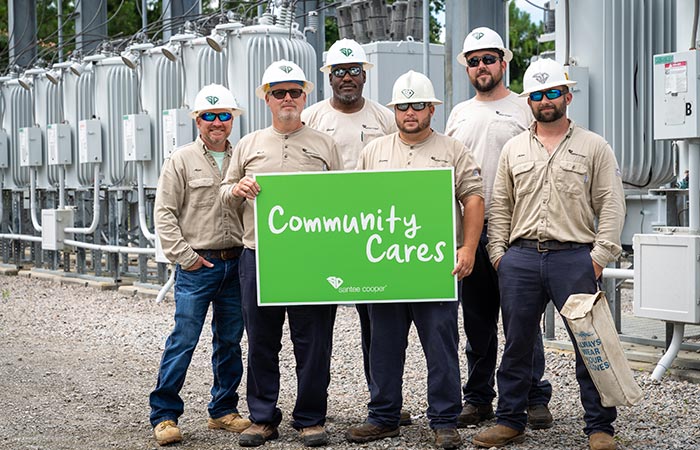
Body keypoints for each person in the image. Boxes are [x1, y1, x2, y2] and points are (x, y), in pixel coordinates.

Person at [473, 59, 625, 450]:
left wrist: (598, 257)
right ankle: (510, 420)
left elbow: (610, 204)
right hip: (520, 260)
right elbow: (501, 206)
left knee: (590, 344)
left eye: (552, 92)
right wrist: (498, 256)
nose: (545, 100)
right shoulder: (514, 149)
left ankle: (599, 427)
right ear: (529, 101)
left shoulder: (594, 147)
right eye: (537, 95)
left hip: (574, 258)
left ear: (567, 96)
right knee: (517, 345)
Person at [345, 70, 485, 450]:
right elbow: (355, 205)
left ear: (432, 109)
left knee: (440, 344)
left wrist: (468, 248)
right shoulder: (374, 151)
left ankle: (444, 420)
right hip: (386, 268)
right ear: (394, 110)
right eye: (403, 105)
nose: (410, 112)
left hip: (435, 267)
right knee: (384, 344)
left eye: (417, 105)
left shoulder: (453, 150)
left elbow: (473, 198)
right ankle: (384, 417)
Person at [220, 60, 343, 448]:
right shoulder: (248, 145)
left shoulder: (325, 144)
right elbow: (223, 193)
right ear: (267, 99)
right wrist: (237, 189)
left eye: (294, 91)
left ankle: (310, 418)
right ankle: (262, 418)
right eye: (279, 92)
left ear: (306, 96)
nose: (287, 98)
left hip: (311, 257)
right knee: (261, 338)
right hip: (260, 254)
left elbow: (346, 199)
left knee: (313, 340)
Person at [445, 27, 553, 429]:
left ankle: (532, 395)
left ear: (503, 63)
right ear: (467, 69)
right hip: (470, 233)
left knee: (522, 319)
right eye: (473, 61)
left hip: (517, 230)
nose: (481, 67)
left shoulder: (525, 107)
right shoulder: (458, 114)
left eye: (488, 59)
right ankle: (478, 398)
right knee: (477, 320)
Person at [300, 38, 411, 425]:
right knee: (316, 327)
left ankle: (385, 403)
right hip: (323, 234)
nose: (347, 77)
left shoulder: (383, 118)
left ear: (366, 75)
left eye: (354, 71)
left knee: (379, 324)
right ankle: (313, 410)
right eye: (339, 71)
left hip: (371, 235)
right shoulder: (311, 118)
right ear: (329, 76)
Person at [150, 84, 250, 446]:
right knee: (184, 340)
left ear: (233, 120)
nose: (217, 122)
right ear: (197, 119)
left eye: (224, 115)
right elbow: (164, 213)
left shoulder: (244, 158)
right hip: (198, 266)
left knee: (230, 342)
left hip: (236, 262)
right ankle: (164, 415)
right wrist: (186, 258)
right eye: (209, 115)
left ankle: (223, 411)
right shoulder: (180, 159)